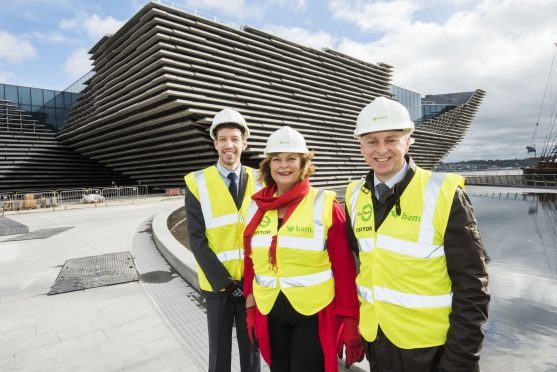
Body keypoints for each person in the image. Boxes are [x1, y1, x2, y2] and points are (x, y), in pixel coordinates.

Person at [345, 96, 490, 372]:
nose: (381, 149)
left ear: (408, 140)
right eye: (372, 141)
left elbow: (473, 286)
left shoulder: (444, 194)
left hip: (433, 351)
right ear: (361, 145)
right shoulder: (355, 196)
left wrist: (461, 359)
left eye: (391, 139)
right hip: (378, 341)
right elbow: (362, 265)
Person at [242, 126, 364, 372]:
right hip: (270, 309)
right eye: (276, 159)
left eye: (291, 159)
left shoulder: (325, 204)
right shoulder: (256, 207)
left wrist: (351, 320)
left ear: (303, 164)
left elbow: (344, 269)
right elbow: (250, 263)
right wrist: (251, 308)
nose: (283, 166)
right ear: (268, 165)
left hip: (313, 313)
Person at [184, 108, 261, 372]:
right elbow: (196, 239)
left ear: (244, 143)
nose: (229, 145)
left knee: (252, 351)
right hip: (218, 288)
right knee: (219, 354)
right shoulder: (197, 183)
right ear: (215, 143)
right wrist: (227, 284)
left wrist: (250, 282)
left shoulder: (261, 181)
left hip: (253, 284)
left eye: (235, 139)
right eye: (223, 139)